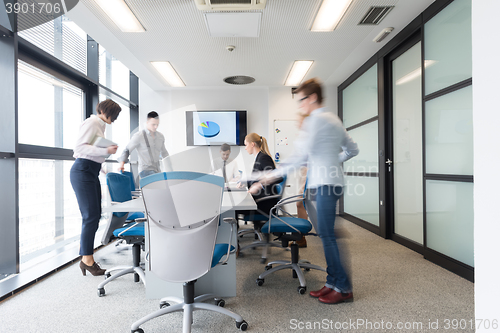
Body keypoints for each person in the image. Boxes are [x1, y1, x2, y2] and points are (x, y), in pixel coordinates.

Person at [253, 78, 359, 304]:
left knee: (328, 237)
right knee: (326, 235)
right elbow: (352, 150)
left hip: (323, 185)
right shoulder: (333, 119)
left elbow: (299, 157)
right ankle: (332, 283)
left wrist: (267, 177)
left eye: (301, 100)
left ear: (312, 98)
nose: (300, 105)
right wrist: (331, 161)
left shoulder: (315, 121)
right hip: (328, 183)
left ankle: (343, 288)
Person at [70, 99, 122, 276]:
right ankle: (87, 260)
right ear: (106, 112)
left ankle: (86, 256)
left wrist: (103, 168)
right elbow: (79, 148)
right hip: (82, 171)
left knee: (94, 215)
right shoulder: (93, 122)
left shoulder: (100, 125)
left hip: (90, 171)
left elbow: (91, 152)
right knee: (90, 216)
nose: (114, 119)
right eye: (114, 115)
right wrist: (106, 151)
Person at [118, 111, 169, 178]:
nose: (156, 127)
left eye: (157, 124)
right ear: (147, 123)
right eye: (153, 124)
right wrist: (122, 164)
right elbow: (127, 150)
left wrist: (170, 168)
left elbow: (164, 153)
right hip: (145, 171)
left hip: (158, 171)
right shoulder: (139, 136)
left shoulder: (160, 136)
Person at [242, 133, 283, 216]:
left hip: (264, 202)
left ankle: (234, 228)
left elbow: (277, 177)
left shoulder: (263, 158)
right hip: (260, 199)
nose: (245, 148)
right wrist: (244, 182)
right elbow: (257, 178)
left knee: (234, 208)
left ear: (252, 144)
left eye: (246, 145)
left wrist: (259, 185)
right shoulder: (259, 157)